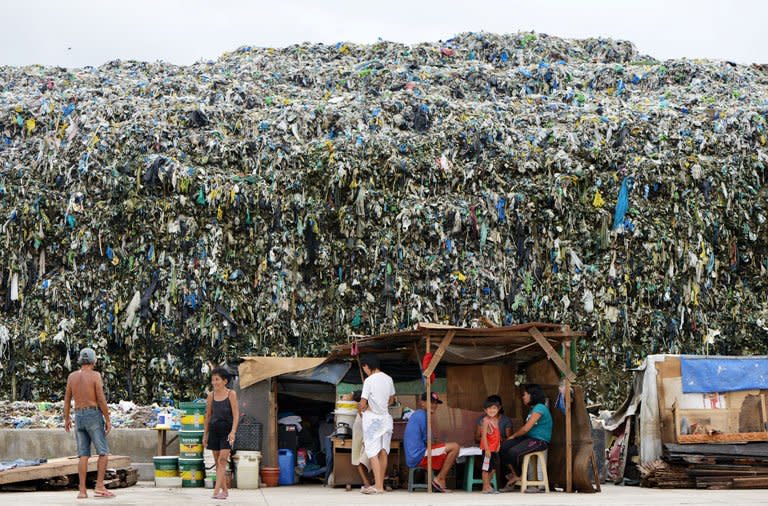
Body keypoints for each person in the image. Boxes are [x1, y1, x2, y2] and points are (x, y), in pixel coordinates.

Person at [63, 347, 115, 499]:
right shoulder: (95, 375)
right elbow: (100, 398)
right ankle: (99, 486)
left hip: (78, 415)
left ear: (80, 360)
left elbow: (67, 400)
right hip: (93, 414)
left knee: (83, 455)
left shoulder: (72, 376)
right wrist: (108, 419)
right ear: (93, 360)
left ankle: (82, 491)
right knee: (103, 452)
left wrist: (67, 419)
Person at [500, 384, 552, 492]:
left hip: (539, 441)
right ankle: (515, 475)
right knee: (504, 447)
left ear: (532, 395)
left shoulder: (540, 407)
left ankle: (521, 477)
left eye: (525, 394)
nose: (523, 397)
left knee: (514, 451)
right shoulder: (533, 409)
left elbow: (526, 429)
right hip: (529, 438)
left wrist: (513, 436)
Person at [403, 392, 459, 493]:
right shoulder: (422, 415)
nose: (434, 405)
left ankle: (439, 480)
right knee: (455, 447)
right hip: (418, 456)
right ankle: (439, 479)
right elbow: (429, 441)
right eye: (431, 402)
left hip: (416, 455)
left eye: (436, 403)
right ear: (422, 403)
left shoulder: (420, 414)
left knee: (446, 449)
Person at [359, 354, 395, 494]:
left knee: (372, 451)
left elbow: (362, 403)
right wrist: (381, 406)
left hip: (373, 421)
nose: (365, 371)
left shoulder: (369, 381)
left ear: (367, 366)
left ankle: (378, 486)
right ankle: (379, 485)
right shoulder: (388, 379)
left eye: (364, 369)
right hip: (386, 419)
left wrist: (365, 408)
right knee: (383, 451)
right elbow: (391, 399)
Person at [203, 367, 239, 500]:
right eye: (213, 380)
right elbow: (208, 415)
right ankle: (224, 491)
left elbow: (236, 415)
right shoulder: (210, 396)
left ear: (225, 381)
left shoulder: (231, 394)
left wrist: (233, 432)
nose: (214, 382)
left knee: (223, 460)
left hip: (227, 431)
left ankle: (215, 491)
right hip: (214, 431)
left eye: (217, 379)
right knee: (218, 463)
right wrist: (205, 435)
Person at [350, 390, 372, 492]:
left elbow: (366, 426)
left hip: (363, 438)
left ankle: (368, 482)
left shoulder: (363, 409)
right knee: (359, 461)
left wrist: (365, 439)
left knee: (361, 460)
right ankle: (367, 483)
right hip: (359, 437)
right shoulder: (364, 408)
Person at [480, 398, 502, 494]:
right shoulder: (486, 421)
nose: (492, 410)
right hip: (488, 450)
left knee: (493, 468)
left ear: (498, 409)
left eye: (494, 408)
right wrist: (487, 449)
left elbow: (497, 435)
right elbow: (484, 437)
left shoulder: (496, 420)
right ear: (485, 410)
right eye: (489, 408)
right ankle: (485, 487)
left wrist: (499, 445)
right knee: (486, 468)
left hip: (494, 449)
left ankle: (488, 485)